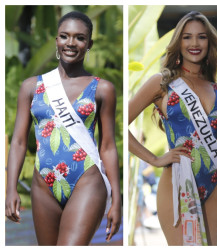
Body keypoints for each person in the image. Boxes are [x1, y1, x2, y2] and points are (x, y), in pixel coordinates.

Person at [129, 11, 217, 246]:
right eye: (187, 37)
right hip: (176, 181)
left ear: (209, 43)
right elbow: (114, 123)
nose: (194, 43)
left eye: (201, 37)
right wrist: (154, 159)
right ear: (178, 43)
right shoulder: (161, 84)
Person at [5, 11, 121, 245]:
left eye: (79, 38)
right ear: (56, 40)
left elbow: (107, 146)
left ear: (89, 44)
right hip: (43, 186)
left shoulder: (102, 89)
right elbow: (18, 141)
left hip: (86, 181)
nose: (71, 43)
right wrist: (10, 189)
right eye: (64, 36)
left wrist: (116, 199)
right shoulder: (31, 87)